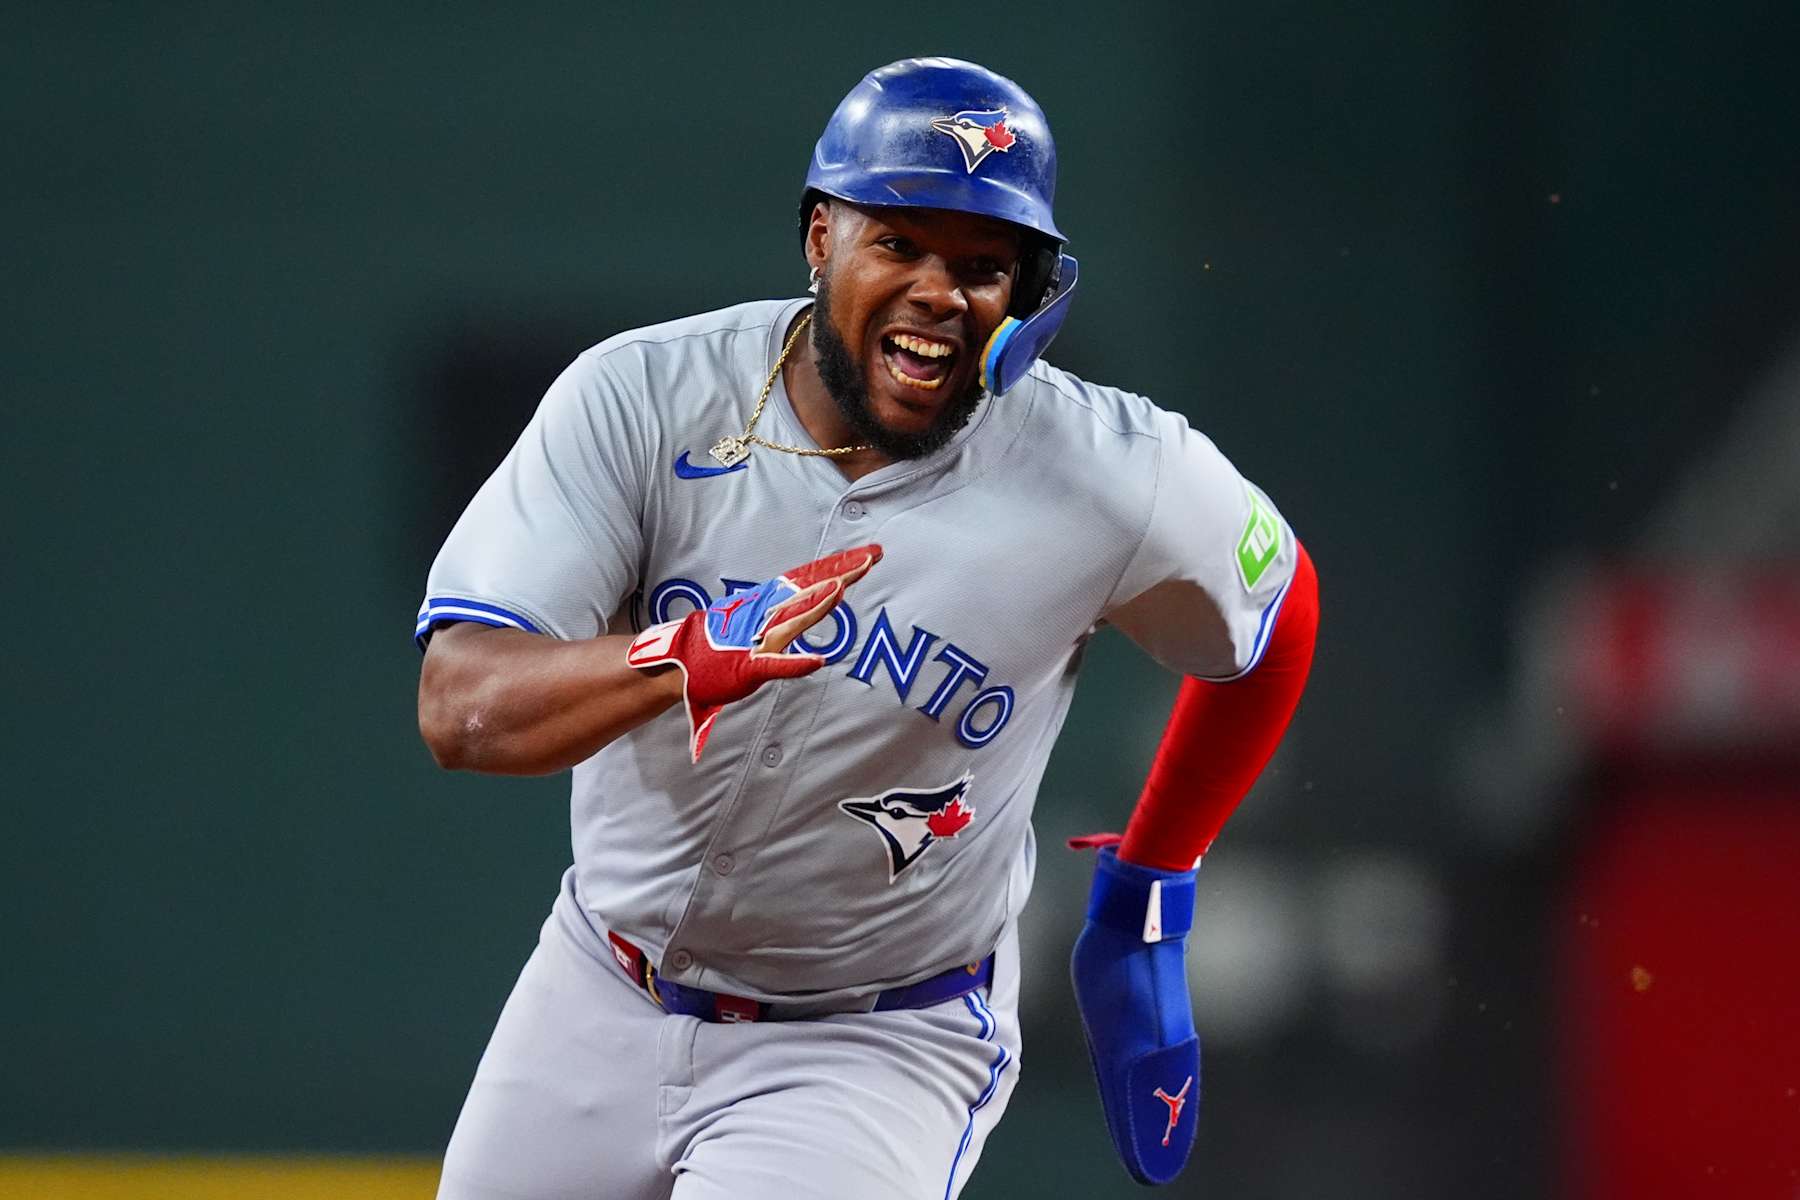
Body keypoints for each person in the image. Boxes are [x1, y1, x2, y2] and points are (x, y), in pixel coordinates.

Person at [415, 56, 1318, 1200]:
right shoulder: (641, 398)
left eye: (985, 265)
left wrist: (1156, 876)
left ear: (1032, 296)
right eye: (899, 244)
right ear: (819, 238)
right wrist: (673, 658)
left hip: (871, 1040)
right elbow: (461, 707)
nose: (941, 291)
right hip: (600, 984)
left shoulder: (1113, 474)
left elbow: (1279, 609)